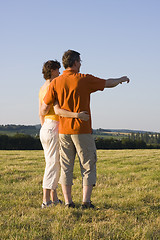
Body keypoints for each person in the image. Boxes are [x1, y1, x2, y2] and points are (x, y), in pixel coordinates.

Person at [41, 50, 130, 209]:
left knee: (66, 166)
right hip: (82, 129)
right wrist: (121, 79)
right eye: (80, 61)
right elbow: (108, 83)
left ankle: (68, 202)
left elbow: (45, 106)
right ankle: (86, 202)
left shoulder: (55, 82)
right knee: (88, 165)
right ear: (75, 63)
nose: (80, 64)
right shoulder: (83, 79)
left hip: (63, 131)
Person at [39, 60, 89, 208]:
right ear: (52, 70)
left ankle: (54, 199)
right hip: (54, 125)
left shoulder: (42, 87)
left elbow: (40, 112)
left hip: (46, 126)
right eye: (58, 70)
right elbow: (54, 109)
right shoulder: (52, 86)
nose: (60, 73)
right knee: (53, 165)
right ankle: (46, 200)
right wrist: (77, 115)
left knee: (54, 163)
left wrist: (45, 127)